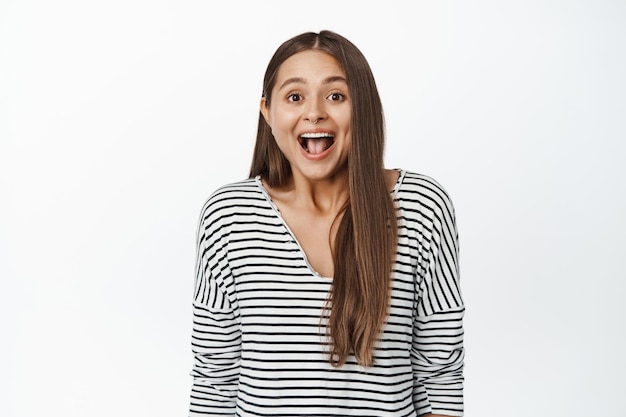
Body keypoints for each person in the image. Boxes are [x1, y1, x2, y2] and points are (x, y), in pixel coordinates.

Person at [189, 30, 464, 417]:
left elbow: (440, 377)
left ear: (363, 108)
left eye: (336, 96)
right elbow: (215, 380)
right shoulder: (229, 215)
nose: (314, 111)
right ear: (268, 112)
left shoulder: (421, 207)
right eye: (295, 96)